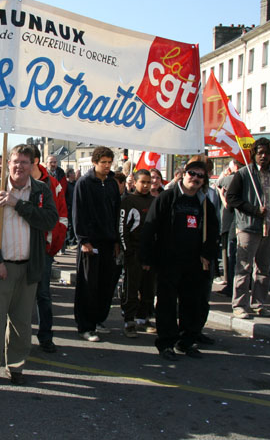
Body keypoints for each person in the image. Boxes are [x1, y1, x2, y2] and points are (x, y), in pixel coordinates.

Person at [0, 145, 57, 387]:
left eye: (24, 162)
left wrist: (17, 204)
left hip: (29, 266)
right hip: (2, 267)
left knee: (22, 321)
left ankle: (16, 364)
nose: (19, 166)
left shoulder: (41, 190)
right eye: (15, 161)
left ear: (32, 164)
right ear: (8, 163)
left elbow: (50, 220)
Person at [141, 159, 219, 360]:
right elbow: (150, 227)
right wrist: (147, 256)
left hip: (194, 263)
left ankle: (186, 342)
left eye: (200, 176)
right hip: (168, 261)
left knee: (191, 304)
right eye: (192, 173)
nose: (195, 178)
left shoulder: (204, 203)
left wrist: (207, 255)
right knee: (166, 304)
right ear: (183, 174)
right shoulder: (167, 198)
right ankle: (166, 343)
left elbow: (213, 233)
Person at [226, 138, 270, 319]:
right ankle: (239, 305)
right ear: (254, 155)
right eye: (260, 153)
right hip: (249, 228)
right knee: (244, 267)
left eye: (266, 153)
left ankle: (259, 303)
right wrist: (253, 210)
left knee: (264, 270)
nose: (263, 156)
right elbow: (232, 198)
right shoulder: (244, 174)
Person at [72, 146, 122, 342]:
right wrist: (83, 240)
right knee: (87, 286)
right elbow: (78, 212)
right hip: (90, 243)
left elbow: (116, 212)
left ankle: (99, 320)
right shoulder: (84, 183)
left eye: (110, 162)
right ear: (95, 162)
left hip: (109, 241)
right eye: (104, 162)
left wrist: (117, 239)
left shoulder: (111, 183)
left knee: (105, 284)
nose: (107, 166)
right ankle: (85, 326)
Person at [30, 147, 68, 353]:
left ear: (35, 160)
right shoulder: (14, 181)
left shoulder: (52, 184)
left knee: (43, 294)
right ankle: (15, 338)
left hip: (44, 249)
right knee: (17, 297)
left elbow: (61, 216)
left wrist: (53, 246)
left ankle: (45, 336)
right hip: (18, 249)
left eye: (27, 160)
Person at [119, 169, 155, 338]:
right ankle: (129, 321)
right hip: (133, 252)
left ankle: (143, 318)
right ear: (135, 182)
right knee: (131, 288)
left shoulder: (155, 201)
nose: (147, 185)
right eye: (143, 182)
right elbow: (122, 228)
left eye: (149, 182)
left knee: (148, 289)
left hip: (150, 253)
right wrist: (127, 251)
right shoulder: (128, 201)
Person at [216, 160, 243, 297]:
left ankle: (230, 285)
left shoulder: (230, 179)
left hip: (231, 223)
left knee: (231, 255)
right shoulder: (251, 180)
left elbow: (219, 184)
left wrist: (221, 193)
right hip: (245, 223)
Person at [65, 168, 77, 247]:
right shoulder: (66, 184)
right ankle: (70, 241)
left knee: (73, 224)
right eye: (73, 173)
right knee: (69, 225)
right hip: (68, 207)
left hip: (74, 207)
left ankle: (72, 240)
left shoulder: (75, 183)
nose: (74, 174)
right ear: (69, 174)